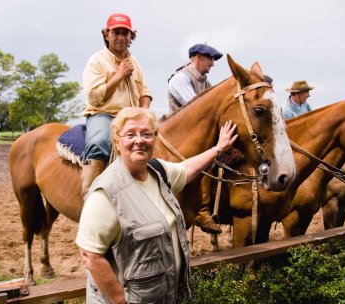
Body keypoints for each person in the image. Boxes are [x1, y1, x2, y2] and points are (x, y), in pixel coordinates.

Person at [76, 107, 238, 303]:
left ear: (155, 139)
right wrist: (120, 301)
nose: (139, 140)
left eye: (146, 133)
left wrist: (218, 148)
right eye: (130, 134)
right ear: (117, 142)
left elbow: (186, 169)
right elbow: (90, 256)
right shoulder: (106, 192)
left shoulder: (156, 171)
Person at [81, 13, 152, 199]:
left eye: (125, 33)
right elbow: (94, 97)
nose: (121, 37)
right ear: (106, 34)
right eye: (116, 32)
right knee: (99, 142)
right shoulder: (96, 61)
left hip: (132, 117)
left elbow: (145, 91)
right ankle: (91, 195)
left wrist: (144, 112)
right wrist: (119, 75)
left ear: (131, 37)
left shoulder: (135, 62)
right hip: (104, 115)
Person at [167, 43, 223, 234]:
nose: (212, 65)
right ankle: (201, 211)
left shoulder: (205, 82)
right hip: (179, 137)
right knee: (207, 161)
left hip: (196, 135)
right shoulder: (180, 78)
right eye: (210, 59)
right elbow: (197, 110)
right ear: (197, 57)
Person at [168, 43, 223, 113]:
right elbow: (198, 108)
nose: (213, 64)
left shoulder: (206, 83)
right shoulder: (179, 78)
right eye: (210, 59)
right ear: (199, 56)